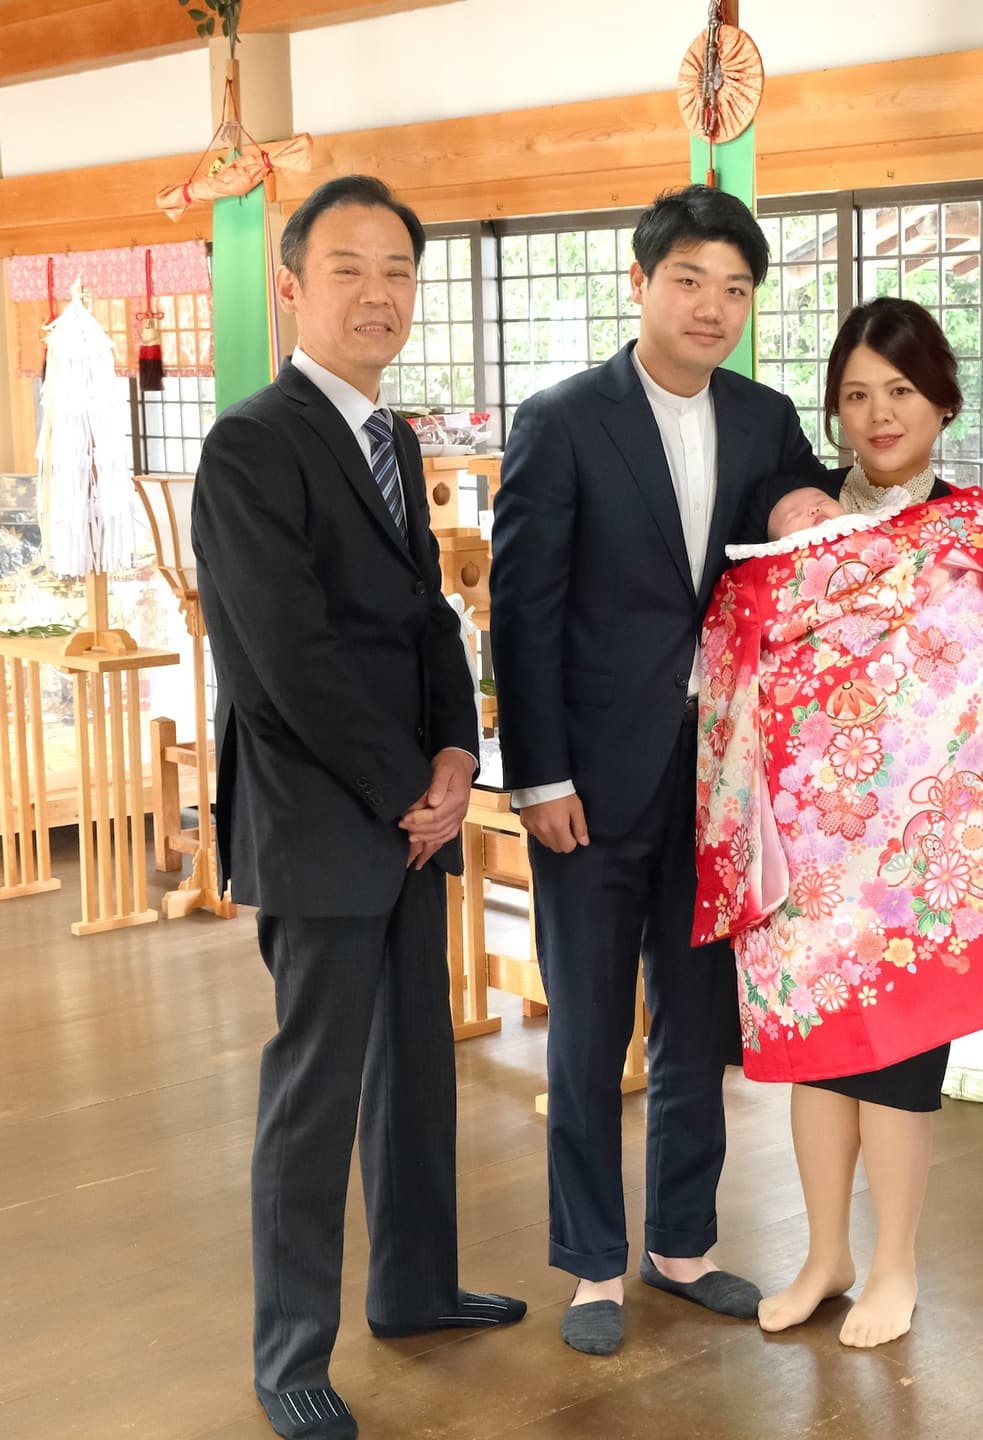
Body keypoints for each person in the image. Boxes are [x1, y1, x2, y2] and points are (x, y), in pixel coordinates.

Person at [193, 175, 525, 1440]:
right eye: (349, 268)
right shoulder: (252, 444)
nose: (378, 293)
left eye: (398, 270)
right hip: (322, 812)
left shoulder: (394, 438)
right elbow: (288, 657)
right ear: (290, 288)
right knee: (316, 1087)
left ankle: (416, 1285)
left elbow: (431, 616)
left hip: (410, 805)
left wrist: (456, 753)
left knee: (415, 1066)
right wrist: (408, 791)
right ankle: (290, 1356)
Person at [488, 185, 830, 1357]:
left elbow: (804, 507)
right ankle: (592, 1265)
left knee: (698, 1024)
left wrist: (805, 501)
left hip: (722, 777)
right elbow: (522, 610)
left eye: (735, 288)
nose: (712, 306)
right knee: (587, 1030)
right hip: (590, 777)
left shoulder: (765, 415)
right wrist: (539, 776)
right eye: (689, 280)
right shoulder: (562, 420)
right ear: (639, 284)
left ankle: (682, 1245)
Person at [712, 297, 983, 1348]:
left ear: (943, 403)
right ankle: (825, 1256)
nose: (879, 414)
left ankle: (896, 1265)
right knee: (813, 1052)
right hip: (808, 839)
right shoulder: (793, 522)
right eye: (857, 395)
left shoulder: (981, 530)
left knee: (901, 1063)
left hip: (920, 845)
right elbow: (744, 659)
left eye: (901, 391)